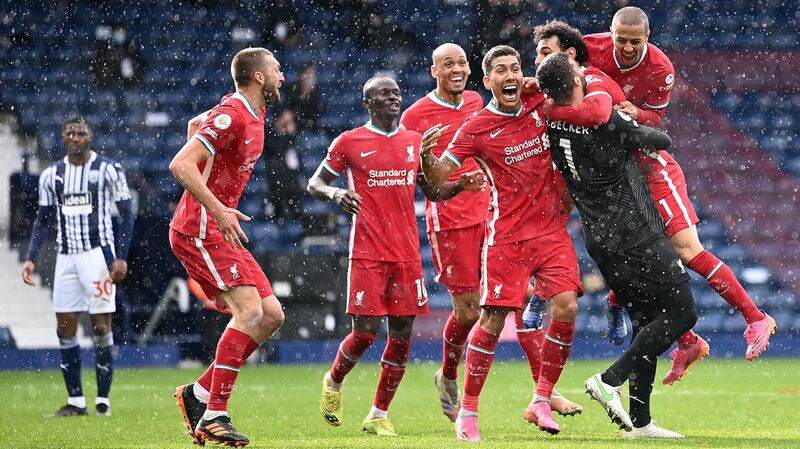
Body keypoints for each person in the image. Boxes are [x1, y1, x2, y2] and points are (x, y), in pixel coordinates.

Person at [562, 9, 775, 380]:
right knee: (638, 261)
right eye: (621, 40)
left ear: (648, 37)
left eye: (635, 41)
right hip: (618, 173)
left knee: (686, 249)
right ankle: (686, 339)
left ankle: (756, 318)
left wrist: (636, 114)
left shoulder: (661, 68)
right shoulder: (588, 49)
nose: (627, 47)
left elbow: (656, 122)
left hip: (650, 165)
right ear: (609, 34)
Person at [400, 42, 581, 424]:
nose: (456, 68)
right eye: (447, 63)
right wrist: (450, 181)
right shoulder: (417, 116)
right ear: (434, 71)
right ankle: (448, 375)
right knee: (470, 312)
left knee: (526, 300)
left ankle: (543, 393)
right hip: (450, 222)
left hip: (496, 216)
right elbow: (426, 185)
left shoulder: (482, 103)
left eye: (461, 62)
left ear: (471, 72)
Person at [309, 75, 485, 437]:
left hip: (406, 253)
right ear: (367, 102)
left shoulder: (414, 142)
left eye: (396, 93)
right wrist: (336, 195)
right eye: (384, 93)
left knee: (402, 333)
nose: (393, 97)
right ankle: (334, 379)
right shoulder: (350, 141)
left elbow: (433, 192)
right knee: (365, 333)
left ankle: (377, 414)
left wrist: (460, 186)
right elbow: (315, 183)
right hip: (368, 252)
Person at [537, 51, 697, 438]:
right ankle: (610, 380)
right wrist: (628, 118)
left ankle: (640, 423)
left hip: (600, 239)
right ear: (575, 80)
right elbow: (662, 138)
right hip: (634, 232)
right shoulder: (604, 122)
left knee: (646, 319)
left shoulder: (554, 125)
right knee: (682, 314)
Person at [170, 47, 286, 447]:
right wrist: (219, 209)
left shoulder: (253, 112)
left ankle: (198, 394)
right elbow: (181, 163)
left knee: (271, 315)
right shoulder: (234, 114)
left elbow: (194, 124)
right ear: (257, 77)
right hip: (199, 230)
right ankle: (215, 413)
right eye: (276, 69)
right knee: (249, 310)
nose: (282, 75)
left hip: (221, 230)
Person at [22, 115, 134, 417]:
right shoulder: (52, 175)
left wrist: (120, 256)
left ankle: (103, 400)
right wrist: (31, 257)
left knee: (100, 326)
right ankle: (76, 402)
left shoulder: (108, 169)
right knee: (64, 329)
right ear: (63, 138)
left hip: (98, 257)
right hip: (66, 258)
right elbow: (43, 220)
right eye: (70, 133)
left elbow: (127, 213)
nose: (75, 137)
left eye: (81, 132)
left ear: (89, 137)